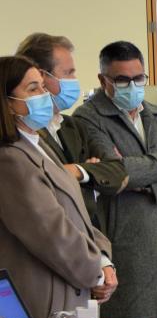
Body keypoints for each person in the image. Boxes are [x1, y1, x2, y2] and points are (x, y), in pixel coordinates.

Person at [74, 41, 157, 318]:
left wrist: (153, 187)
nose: (132, 86)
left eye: (138, 78)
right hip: (129, 258)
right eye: (122, 80)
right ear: (103, 80)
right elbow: (112, 173)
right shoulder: (88, 118)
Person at [0, 55, 116, 318]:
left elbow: (78, 216)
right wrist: (96, 273)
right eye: (33, 89)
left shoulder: (38, 145)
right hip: (44, 298)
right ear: (7, 102)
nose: (45, 94)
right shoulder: (10, 160)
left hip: (71, 289)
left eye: (42, 86)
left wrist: (104, 260)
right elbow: (51, 231)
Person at [15, 33, 128, 228]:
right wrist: (93, 179)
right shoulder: (19, 133)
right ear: (41, 76)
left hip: (91, 240)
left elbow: (119, 173)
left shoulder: (73, 125)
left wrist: (78, 171)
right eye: (68, 73)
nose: (75, 80)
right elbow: (46, 195)